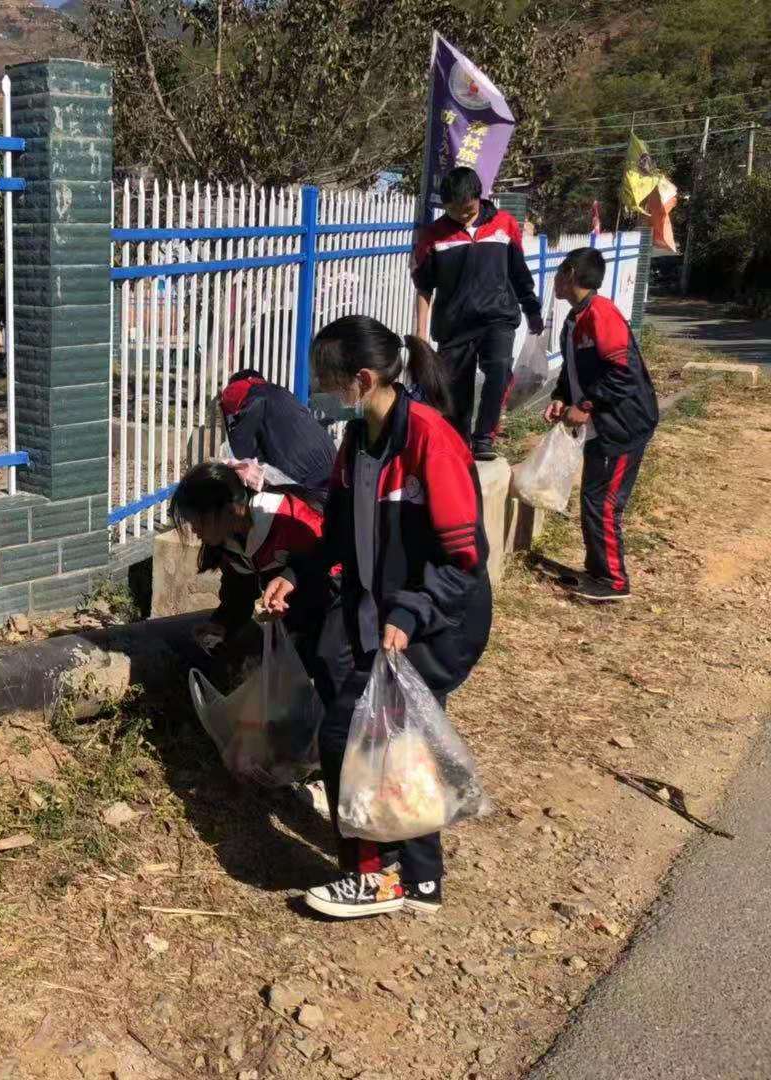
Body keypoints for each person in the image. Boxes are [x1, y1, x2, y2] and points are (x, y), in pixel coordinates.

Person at [263, 315, 492, 919]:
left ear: (362, 379)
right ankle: (417, 878)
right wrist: (297, 574)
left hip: (439, 623)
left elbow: (464, 557)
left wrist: (413, 611)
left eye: (325, 378)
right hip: (386, 618)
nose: (318, 390)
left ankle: (376, 875)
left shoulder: (430, 440)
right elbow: (339, 536)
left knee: (354, 733)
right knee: (396, 738)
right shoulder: (357, 441)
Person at [544, 247, 659, 602]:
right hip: (603, 425)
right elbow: (573, 369)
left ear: (571, 274)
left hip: (623, 425)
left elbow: (623, 373)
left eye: (559, 272)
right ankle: (597, 570)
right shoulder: (575, 318)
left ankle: (614, 581)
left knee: (604, 502)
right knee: (592, 497)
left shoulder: (601, 314)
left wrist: (586, 406)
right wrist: (561, 396)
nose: (555, 280)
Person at [412, 167, 544, 461]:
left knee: (498, 370)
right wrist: (420, 334)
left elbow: (519, 273)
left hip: (497, 317)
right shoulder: (433, 236)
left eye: (467, 208)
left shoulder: (504, 225)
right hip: (454, 325)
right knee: (454, 388)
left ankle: (484, 437)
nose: (461, 215)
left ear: (478, 198)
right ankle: (459, 442)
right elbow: (424, 287)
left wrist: (532, 309)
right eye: (453, 210)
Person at [168, 459, 329, 665]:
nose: (194, 530)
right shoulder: (230, 541)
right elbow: (239, 592)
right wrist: (222, 624)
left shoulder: (290, 519)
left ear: (229, 510)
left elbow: (330, 565)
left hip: (331, 625)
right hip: (294, 630)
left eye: (198, 521)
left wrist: (292, 583)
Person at [217, 369, 338, 498]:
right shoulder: (283, 395)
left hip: (302, 475)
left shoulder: (244, 390)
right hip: (333, 464)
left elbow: (242, 457)